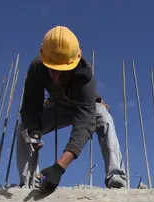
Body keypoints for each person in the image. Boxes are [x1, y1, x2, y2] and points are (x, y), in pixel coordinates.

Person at [16, 26, 127, 191]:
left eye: (63, 73)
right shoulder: (37, 68)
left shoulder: (84, 76)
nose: (56, 78)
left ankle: (116, 179)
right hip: (58, 107)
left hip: (84, 108)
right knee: (23, 128)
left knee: (104, 117)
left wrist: (60, 167)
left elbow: (84, 124)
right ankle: (30, 183)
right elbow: (30, 107)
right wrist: (34, 133)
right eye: (52, 71)